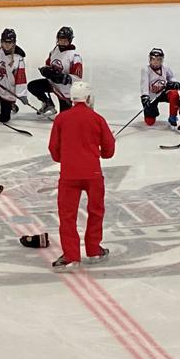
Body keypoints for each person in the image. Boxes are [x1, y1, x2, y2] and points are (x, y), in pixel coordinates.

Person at [47, 81, 115, 269]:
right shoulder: (97, 118)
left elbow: (54, 149)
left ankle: (71, 255)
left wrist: (67, 159)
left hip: (69, 175)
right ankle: (93, 249)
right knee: (96, 211)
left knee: (67, 216)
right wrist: (99, 152)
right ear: (89, 98)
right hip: (93, 174)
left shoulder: (61, 119)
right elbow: (108, 151)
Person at [28, 26, 83, 116]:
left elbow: (78, 78)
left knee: (64, 117)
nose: (62, 42)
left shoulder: (75, 56)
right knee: (32, 86)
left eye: (65, 40)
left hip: (65, 91)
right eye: (61, 39)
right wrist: (45, 70)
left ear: (70, 40)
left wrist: (64, 78)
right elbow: (48, 63)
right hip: (52, 84)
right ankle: (48, 104)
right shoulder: (55, 50)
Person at [140, 48, 180, 128]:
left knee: (174, 94)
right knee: (149, 122)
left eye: (159, 59)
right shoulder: (146, 69)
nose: (156, 62)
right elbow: (144, 83)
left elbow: (171, 77)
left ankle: (172, 117)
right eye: (153, 59)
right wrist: (145, 96)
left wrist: (174, 82)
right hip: (152, 96)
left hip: (163, 93)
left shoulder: (165, 68)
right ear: (150, 59)